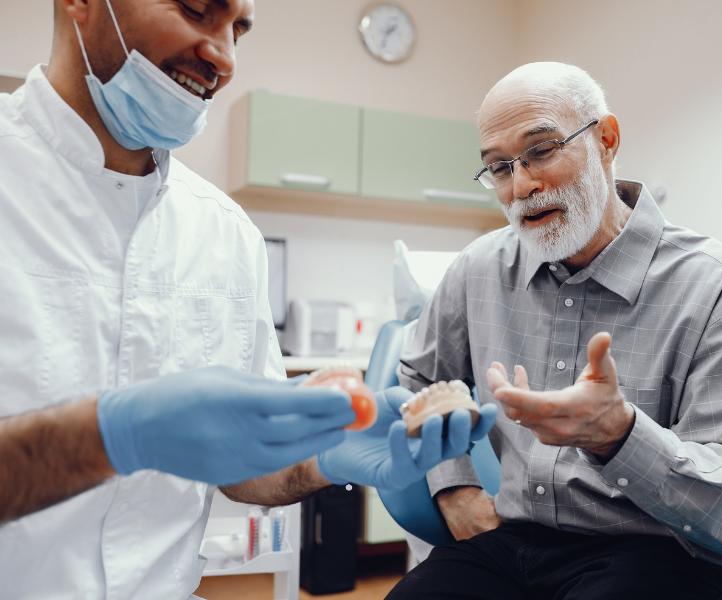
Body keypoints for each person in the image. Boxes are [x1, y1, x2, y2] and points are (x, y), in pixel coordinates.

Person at [0, 0, 496, 598]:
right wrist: (111, 436)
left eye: (237, 29)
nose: (224, 56)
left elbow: (245, 472)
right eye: (196, 10)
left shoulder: (225, 232)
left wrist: (320, 456)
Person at [389, 62, 722, 600]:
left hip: (667, 551)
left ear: (606, 140)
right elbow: (416, 377)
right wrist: (454, 486)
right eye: (499, 167)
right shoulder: (480, 269)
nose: (522, 185)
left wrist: (622, 435)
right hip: (517, 542)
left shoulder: (717, 288)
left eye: (542, 151)